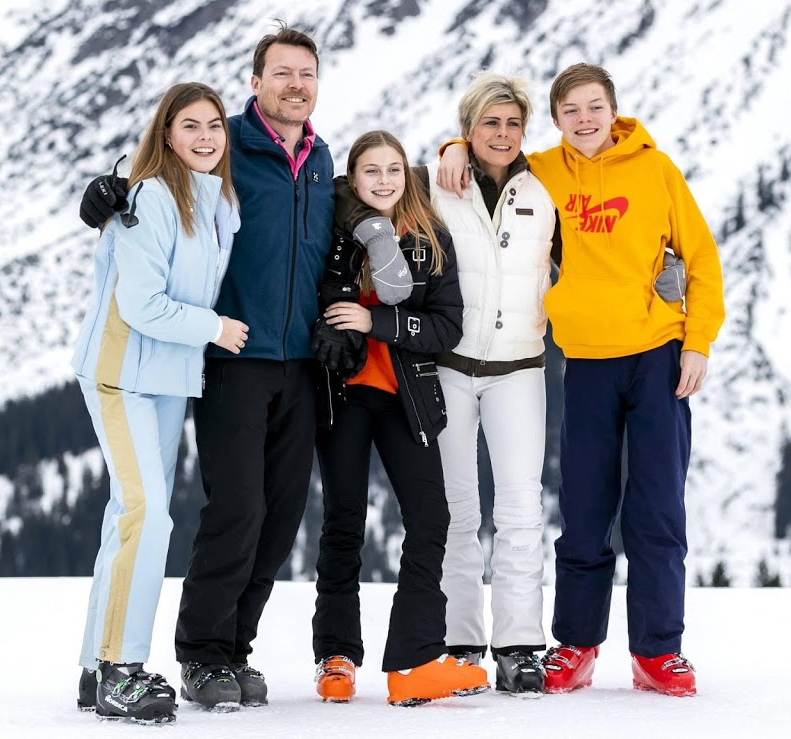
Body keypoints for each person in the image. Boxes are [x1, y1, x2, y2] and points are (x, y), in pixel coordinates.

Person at [78, 25, 410, 711]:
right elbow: (162, 171)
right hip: (232, 358)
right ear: (256, 82)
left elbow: (363, 202)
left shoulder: (321, 159)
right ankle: (201, 654)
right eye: (281, 73)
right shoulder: (225, 144)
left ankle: (233, 648)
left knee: (281, 517)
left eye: (306, 74)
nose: (295, 85)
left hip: (302, 363)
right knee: (236, 509)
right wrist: (109, 186)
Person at [438, 63, 725, 697]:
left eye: (594, 107)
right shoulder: (544, 170)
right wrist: (453, 147)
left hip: (657, 358)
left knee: (656, 510)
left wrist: (697, 343)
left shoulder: (656, 170)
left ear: (613, 111)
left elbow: (702, 259)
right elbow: (491, 156)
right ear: (557, 119)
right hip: (587, 364)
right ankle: (575, 646)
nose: (584, 119)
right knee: (585, 512)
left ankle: (658, 653)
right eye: (570, 110)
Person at [71, 81, 244, 724]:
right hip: (122, 374)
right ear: (166, 134)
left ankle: (95, 666)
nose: (205, 137)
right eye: (190, 125)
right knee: (147, 516)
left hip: (168, 378)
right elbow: (140, 305)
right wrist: (214, 328)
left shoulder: (217, 201)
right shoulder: (151, 196)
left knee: (129, 515)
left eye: (214, 125)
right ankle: (121, 669)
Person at [309, 130, 490, 707]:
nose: (384, 181)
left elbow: (447, 327)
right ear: (353, 178)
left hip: (405, 397)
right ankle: (336, 657)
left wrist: (376, 324)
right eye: (371, 171)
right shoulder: (334, 231)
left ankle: (414, 661)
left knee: (431, 517)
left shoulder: (429, 237)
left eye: (393, 170)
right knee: (344, 522)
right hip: (342, 394)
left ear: (406, 176)